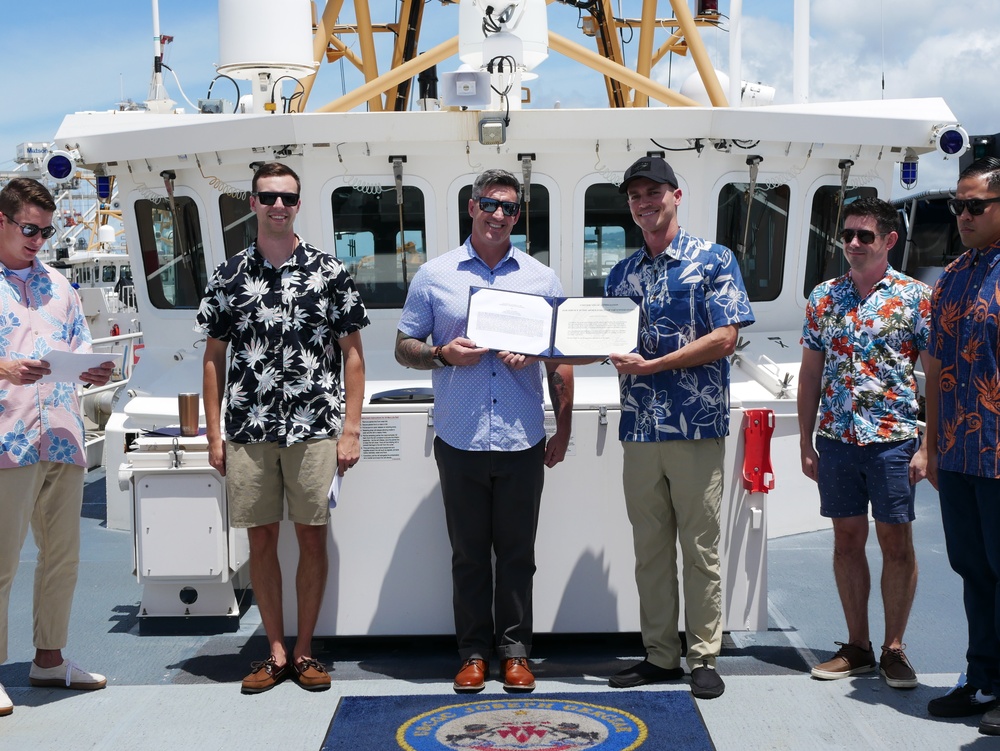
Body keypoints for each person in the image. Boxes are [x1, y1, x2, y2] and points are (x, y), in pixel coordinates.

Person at [395, 168, 574, 694]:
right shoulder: (434, 275)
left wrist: (562, 428)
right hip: (459, 437)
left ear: (520, 216)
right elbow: (404, 346)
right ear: (471, 207)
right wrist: (440, 354)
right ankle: (473, 652)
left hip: (522, 437)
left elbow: (559, 360)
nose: (499, 215)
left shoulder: (542, 279)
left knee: (519, 554)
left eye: (510, 208)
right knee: (469, 555)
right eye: (489, 205)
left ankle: (516, 653)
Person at [197, 162, 368, 695]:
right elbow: (213, 360)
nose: (278, 205)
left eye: (288, 198)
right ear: (252, 203)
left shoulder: (329, 271)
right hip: (247, 427)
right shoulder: (228, 276)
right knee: (261, 538)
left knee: (312, 538)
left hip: (316, 425)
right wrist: (213, 432)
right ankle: (274, 652)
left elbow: (354, 358)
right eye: (268, 197)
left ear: (298, 204)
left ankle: (305, 650)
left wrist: (352, 429)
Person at [604, 156, 754, 700]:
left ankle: (704, 655)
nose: (645, 202)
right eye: (635, 195)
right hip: (640, 429)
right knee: (649, 548)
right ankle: (661, 654)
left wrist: (653, 366)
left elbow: (726, 337)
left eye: (653, 192)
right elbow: (605, 337)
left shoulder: (714, 260)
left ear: (676, 195)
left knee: (700, 545)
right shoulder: (619, 274)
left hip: (694, 426)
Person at [797, 197, 930, 689]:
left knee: (897, 543)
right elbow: (811, 374)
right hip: (836, 439)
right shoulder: (823, 297)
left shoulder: (916, 298)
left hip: (893, 441)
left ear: (889, 240)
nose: (852, 244)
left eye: (864, 236)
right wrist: (807, 442)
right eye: (847, 235)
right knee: (846, 540)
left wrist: (926, 446)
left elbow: (933, 375)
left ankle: (894, 649)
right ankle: (858, 646)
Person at [0, 177, 116, 717]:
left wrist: (91, 371)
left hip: (64, 435)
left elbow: (81, 349)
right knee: (0, 563)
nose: (39, 240)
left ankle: (49, 659)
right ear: (1, 220)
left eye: (46, 231)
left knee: (62, 557)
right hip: (7, 440)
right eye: (29, 229)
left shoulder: (61, 287)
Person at [924, 156, 1000, 734]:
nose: (963, 215)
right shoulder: (951, 276)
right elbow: (933, 366)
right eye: (958, 205)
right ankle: (981, 679)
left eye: (976, 205)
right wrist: (930, 444)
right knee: (973, 569)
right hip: (957, 451)